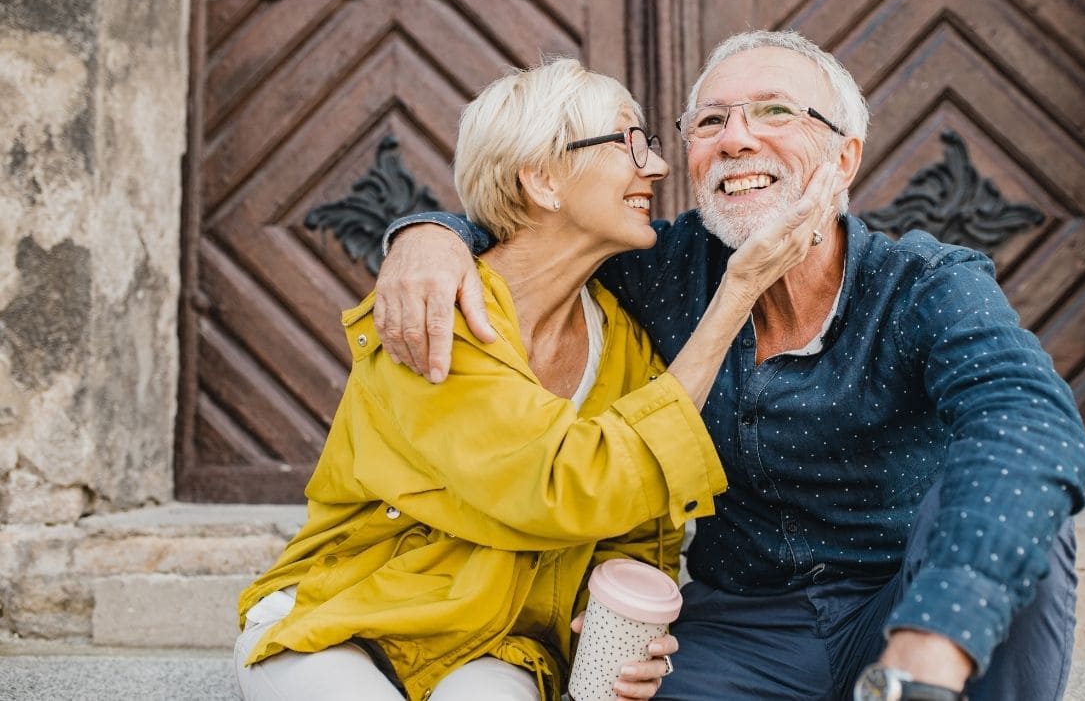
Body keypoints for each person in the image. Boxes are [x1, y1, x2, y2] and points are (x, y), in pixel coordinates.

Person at [374, 30, 1085, 700]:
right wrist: (430, 235)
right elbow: (541, 226)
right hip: (742, 627)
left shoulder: (924, 283)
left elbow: (1032, 421)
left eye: (774, 111)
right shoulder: (663, 269)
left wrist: (933, 636)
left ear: (844, 158)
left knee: (1016, 488)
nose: (735, 140)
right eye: (709, 124)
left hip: (905, 599)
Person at [234, 58, 839, 701]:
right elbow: (564, 484)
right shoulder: (437, 320)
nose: (656, 168)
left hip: (502, 639)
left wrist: (620, 624)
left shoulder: (625, 341)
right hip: (350, 618)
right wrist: (739, 288)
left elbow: (639, 530)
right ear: (544, 179)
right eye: (628, 142)